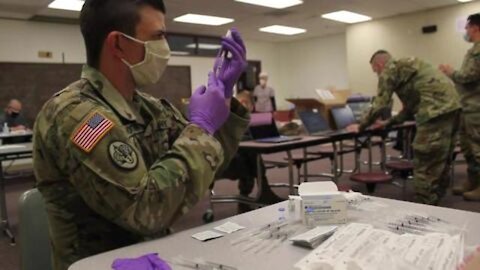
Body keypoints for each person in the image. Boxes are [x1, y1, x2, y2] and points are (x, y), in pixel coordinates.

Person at [32, 1, 248, 269]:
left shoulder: (147, 108)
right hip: (100, 264)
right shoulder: (76, 116)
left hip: (155, 256)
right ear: (118, 44)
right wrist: (202, 127)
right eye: (158, 36)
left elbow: (203, 166)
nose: (165, 47)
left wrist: (224, 100)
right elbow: (146, 210)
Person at [346, 50, 461, 205]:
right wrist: (388, 123)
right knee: (441, 156)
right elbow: (409, 108)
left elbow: (380, 103)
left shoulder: (389, 70)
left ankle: (425, 204)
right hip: (453, 109)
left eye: (376, 71)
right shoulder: (409, 67)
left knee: (424, 161)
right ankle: (438, 198)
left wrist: (361, 126)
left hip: (434, 113)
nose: (378, 75)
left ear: (379, 64)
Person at [439, 13, 480, 201]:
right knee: (468, 147)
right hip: (467, 106)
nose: (465, 31)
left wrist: (451, 72)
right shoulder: (473, 50)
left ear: (475, 27)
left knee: (477, 148)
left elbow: (468, 77)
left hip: (476, 108)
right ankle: (473, 181)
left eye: (467, 27)